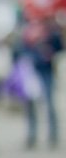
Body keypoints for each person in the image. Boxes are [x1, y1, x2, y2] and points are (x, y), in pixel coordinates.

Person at [17, 16, 62, 149]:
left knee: (49, 104)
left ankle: (53, 135)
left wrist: (49, 50)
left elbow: (59, 48)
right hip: (31, 72)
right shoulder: (26, 35)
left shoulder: (51, 33)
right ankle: (31, 135)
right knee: (29, 106)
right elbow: (18, 51)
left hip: (46, 72)